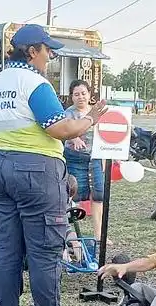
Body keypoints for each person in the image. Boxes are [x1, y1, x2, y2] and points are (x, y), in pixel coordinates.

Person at [0, 24, 108, 306]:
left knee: (7, 248)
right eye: (48, 50)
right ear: (32, 51)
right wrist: (92, 119)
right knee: (44, 250)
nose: (50, 56)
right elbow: (61, 130)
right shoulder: (35, 84)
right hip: (36, 171)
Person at [63, 80, 108, 245]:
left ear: (89, 95)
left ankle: (99, 235)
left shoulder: (97, 113)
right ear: (72, 97)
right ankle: (71, 235)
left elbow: (106, 136)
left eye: (83, 93)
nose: (81, 97)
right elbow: (65, 129)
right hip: (74, 158)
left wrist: (104, 159)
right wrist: (74, 137)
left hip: (95, 158)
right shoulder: (68, 113)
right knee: (72, 194)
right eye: (76, 94)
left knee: (98, 195)